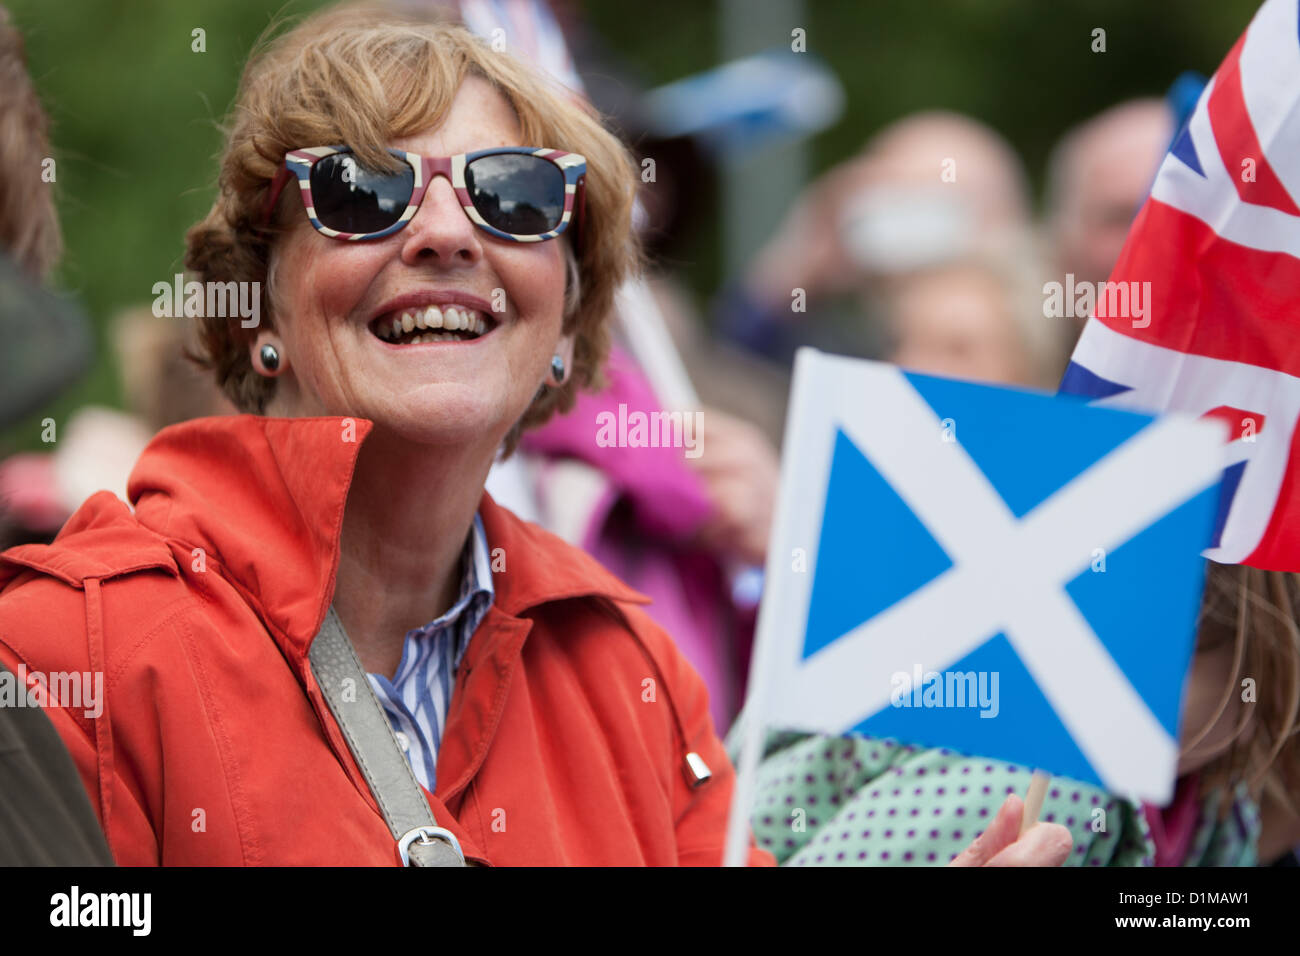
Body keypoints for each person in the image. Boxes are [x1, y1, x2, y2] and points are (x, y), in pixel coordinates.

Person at [0, 6, 1067, 866]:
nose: (446, 232)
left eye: (511, 197)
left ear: (566, 322)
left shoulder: (633, 669)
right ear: (259, 304)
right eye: (364, 188)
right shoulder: (67, 648)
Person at [745, 562, 1300, 866]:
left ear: (1265, 658)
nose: (1105, 680)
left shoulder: (1219, 817)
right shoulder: (1044, 785)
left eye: (1160, 655)